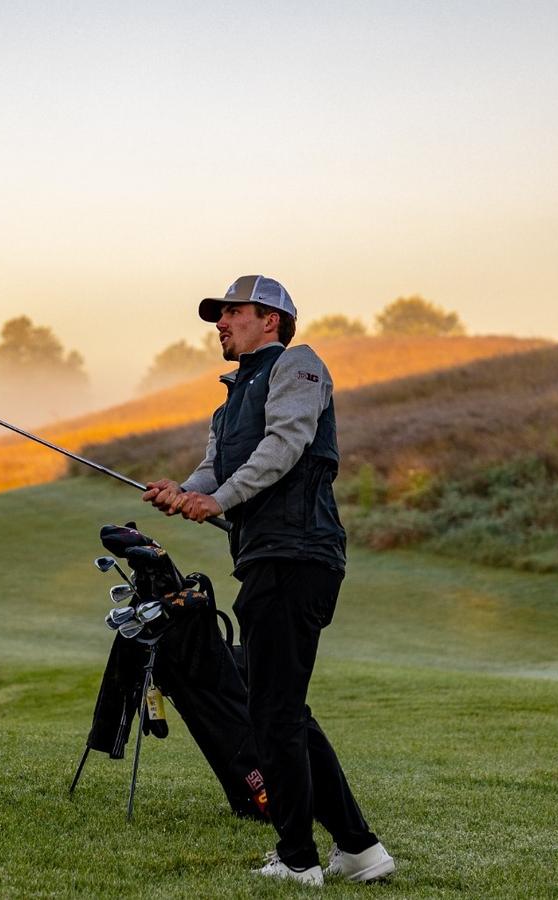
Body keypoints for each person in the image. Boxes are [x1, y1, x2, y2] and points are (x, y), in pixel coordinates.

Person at [142, 275, 395, 887]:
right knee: (280, 708)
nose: (221, 323)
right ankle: (359, 849)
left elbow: (285, 445)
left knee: (274, 712)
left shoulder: (298, 366)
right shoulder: (231, 399)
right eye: (220, 315)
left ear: (271, 319)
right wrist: (185, 492)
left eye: (234, 312)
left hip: (298, 555)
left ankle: (298, 858)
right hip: (267, 558)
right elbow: (215, 467)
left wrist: (219, 499)